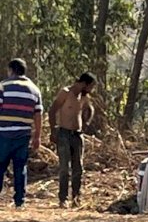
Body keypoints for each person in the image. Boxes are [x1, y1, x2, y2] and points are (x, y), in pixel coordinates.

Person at [48, 72, 97, 208]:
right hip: (64, 133)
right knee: (64, 168)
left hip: (77, 135)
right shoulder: (65, 92)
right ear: (84, 84)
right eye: (90, 86)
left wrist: (86, 121)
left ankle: (76, 198)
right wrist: (53, 130)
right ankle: (63, 199)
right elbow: (52, 111)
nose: (91, 90)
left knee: (78, 168)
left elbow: (90, 109)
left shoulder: (84, 97)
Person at [0, 58, 43, 209]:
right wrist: (37, 136)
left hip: (3, 134)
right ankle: (20, 202)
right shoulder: (34, 89)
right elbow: (38, 115)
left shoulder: (3, 86)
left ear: (11, 70)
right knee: (20, 168)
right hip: (23, 135)